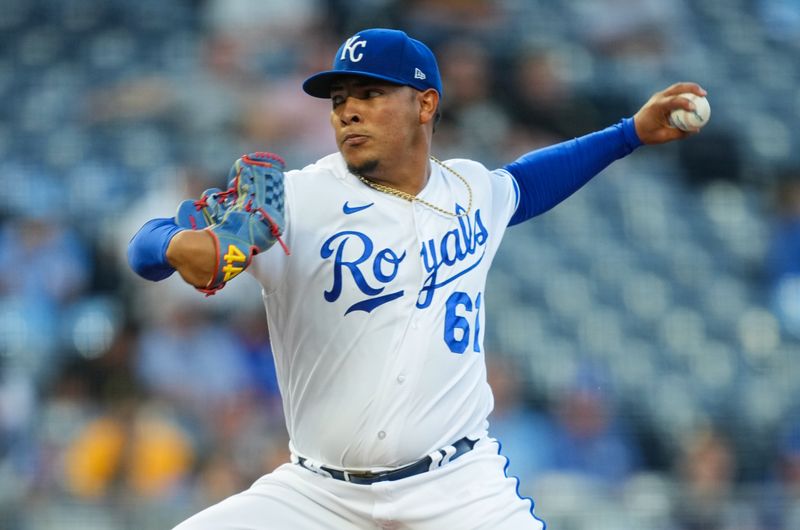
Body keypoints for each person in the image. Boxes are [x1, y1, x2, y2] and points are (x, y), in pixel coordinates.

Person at [127, 27, 706, 530]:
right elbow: (143, 246)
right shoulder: (293, 198)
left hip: (455, 485)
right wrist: (178, 245)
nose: (347, 111)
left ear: (425, 104)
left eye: (370, 94)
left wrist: (628, 133)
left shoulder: (471, 190)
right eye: (339, 100)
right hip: (319, 494)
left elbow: (530, 182)